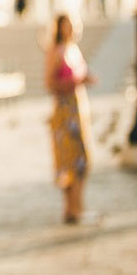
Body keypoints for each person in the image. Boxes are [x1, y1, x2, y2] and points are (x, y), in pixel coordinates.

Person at [44, 14, 95, 224]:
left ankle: (77, 206)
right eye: (65, 26)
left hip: (78, 107)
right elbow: (49, 83)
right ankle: (71, 208)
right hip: (65, 110)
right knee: (68, 160)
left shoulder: (74, 50)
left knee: (82, 159)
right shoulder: (55, 52)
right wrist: (75, 82)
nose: (69, 30)